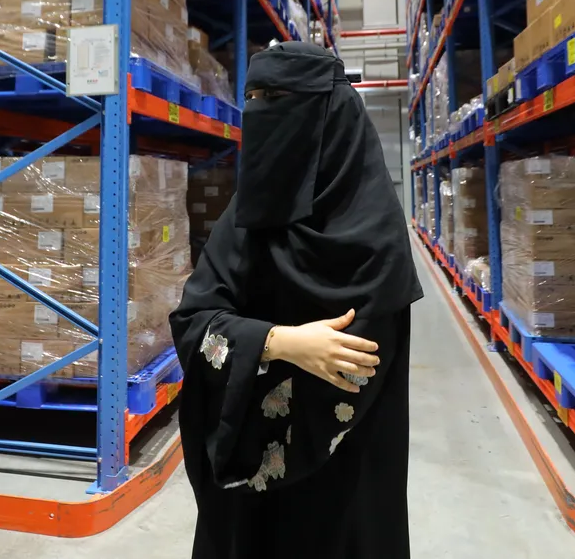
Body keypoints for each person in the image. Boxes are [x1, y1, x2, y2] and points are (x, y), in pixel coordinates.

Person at [170, 41, 423, 559]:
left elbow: (356, 366)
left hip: (345, 474)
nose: (261, 113)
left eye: (277, 99)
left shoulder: (374, 235)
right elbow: (193, 319)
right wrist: (279, 342)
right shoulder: (246, 218)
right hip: (248, 497)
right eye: (253, 98)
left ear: (328, 114)